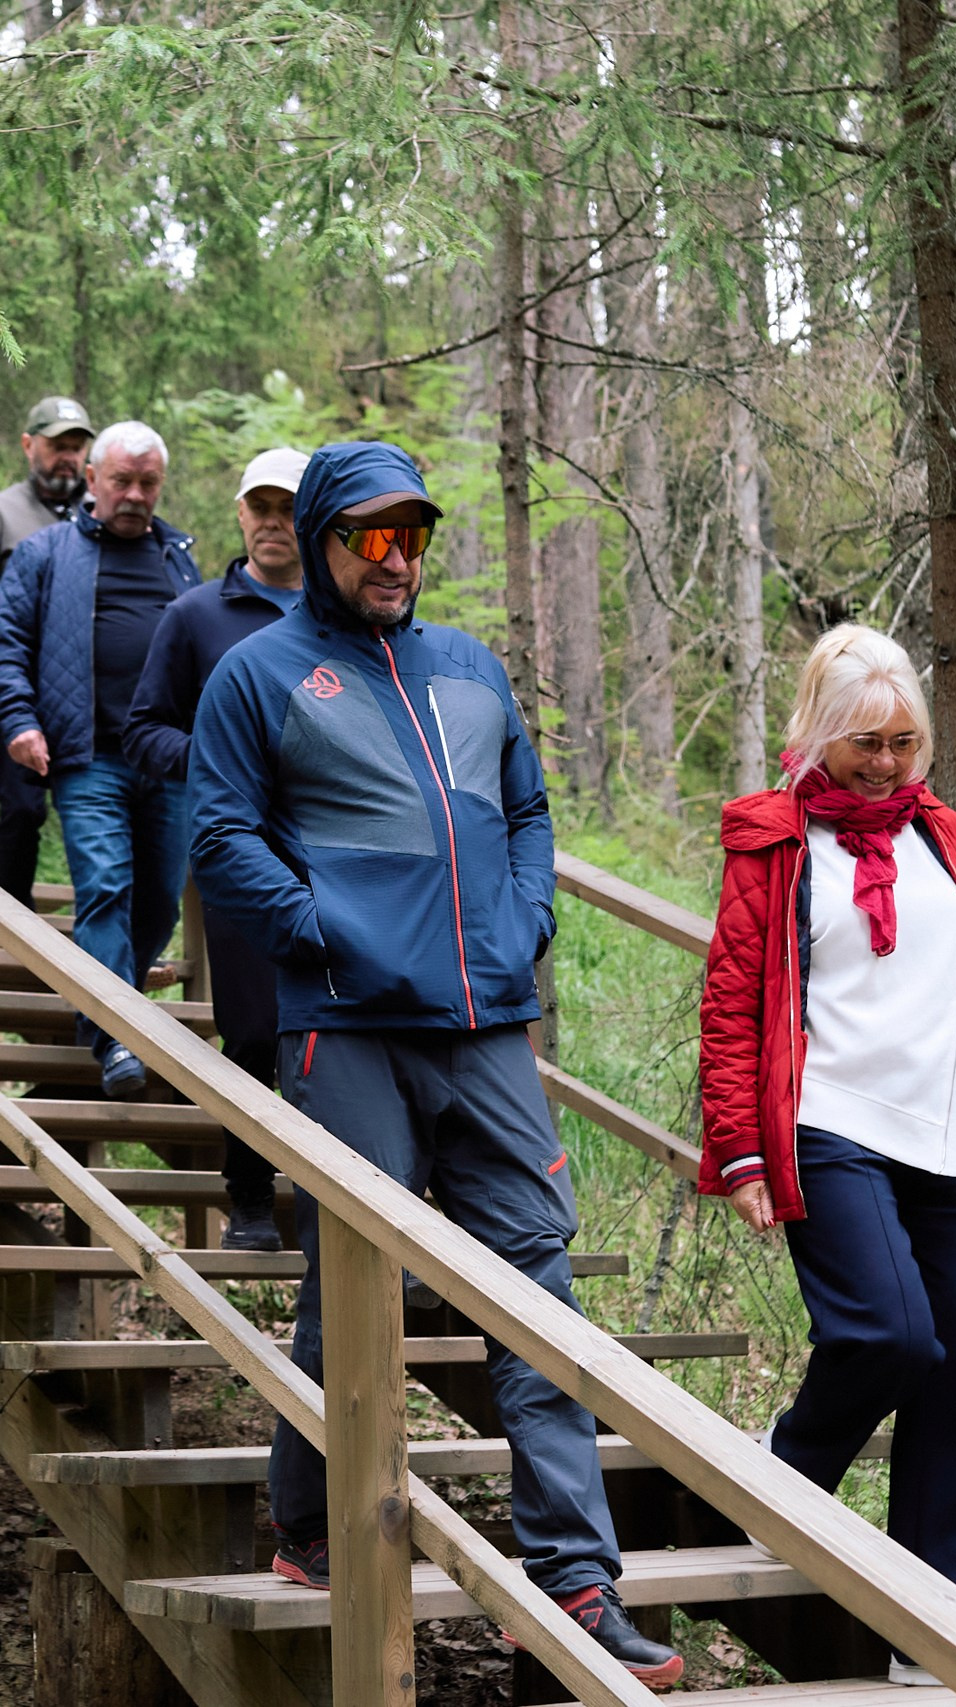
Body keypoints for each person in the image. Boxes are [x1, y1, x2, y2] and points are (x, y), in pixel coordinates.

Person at [185, 442, 683, 1688]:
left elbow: (526, 813)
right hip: (346, 1025)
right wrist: (320, 933)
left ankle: (573, 1580)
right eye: (369, 537)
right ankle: (311, 1521)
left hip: (484, 1024)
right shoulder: (260, 674)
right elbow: (219, 835)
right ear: (319, 538)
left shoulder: (467, 667)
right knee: (359, 1277)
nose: (396, 558)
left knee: (536, 1283)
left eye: (411, 536)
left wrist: (526, 923)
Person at [696, 623, 956, 1690]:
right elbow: (734, 998)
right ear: (820, 735)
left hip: (954, 1127)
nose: (885, 762)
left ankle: (936, 1621)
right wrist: (739, 1147)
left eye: (902, 742)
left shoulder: (942, 832)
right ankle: (783, 1476)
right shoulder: (774, 841)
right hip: (831, 1119)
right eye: (865, 742)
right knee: (887, 1333)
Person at [120, 446, 308, 1252]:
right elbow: (142, 730)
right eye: (259, 506)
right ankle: (253, 1201)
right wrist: (215, 754)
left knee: (347, 1030)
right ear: (239, 513)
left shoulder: (335, 618)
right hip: (236, 852)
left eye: (288, 508)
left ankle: (357, 1204)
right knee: (255, 1026)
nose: (272, 522)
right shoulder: (195, 615)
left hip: (337, 851)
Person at [0, 421, 202, 1098]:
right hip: (88, 756)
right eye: (122, 481)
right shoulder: (47, 552)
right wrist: (18, 719)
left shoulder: (179, 560)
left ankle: (109, 1015)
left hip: (166, 758)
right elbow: (6, 642)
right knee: (106, 885)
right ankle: (116, 1037)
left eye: (148, 483)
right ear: (94, 480)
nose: (135, 494)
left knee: (160, 900)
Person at [0, 395, 94, 903]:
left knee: (94, 810)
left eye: (77, 447)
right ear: (30, 445)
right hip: (21, 686)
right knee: (21, 808)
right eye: (58, 446)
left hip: (92, 692)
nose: (68, 457)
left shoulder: (102, 515)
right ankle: (9, 919)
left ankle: (96, 934)